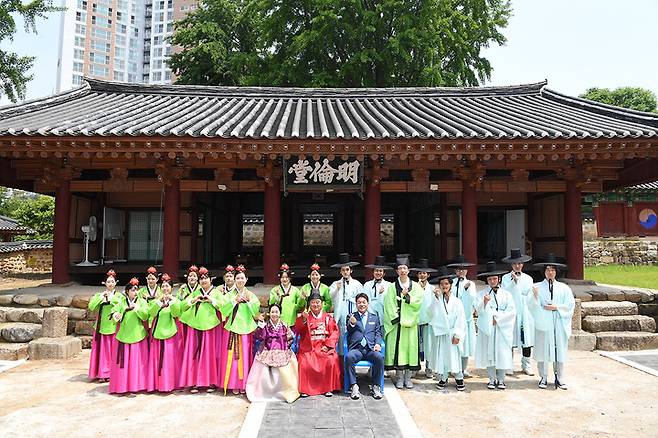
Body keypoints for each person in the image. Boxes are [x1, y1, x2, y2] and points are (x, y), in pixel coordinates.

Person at [528, 254, 575, 390]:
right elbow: (530, 305)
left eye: (553, 270)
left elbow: (570, 305)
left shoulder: (564, 288)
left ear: (556, 272)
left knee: (559, 350)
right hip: (544, 322)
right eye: (548, 269)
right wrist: (535, 297)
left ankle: (560, 377)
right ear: (544, 271)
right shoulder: (536, 287)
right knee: (543, 349)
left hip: (559, 322)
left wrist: (556, 307)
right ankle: (543, 377)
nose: (550, 272)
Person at [179, 266, 222, 393]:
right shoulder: (195, 292)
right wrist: (193, 300)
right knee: (194, 354)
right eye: (201, 279)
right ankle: (194, 382)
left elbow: (224, 306)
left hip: (211, 327)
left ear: (211, 280)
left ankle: (210, 382)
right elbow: (182, 306)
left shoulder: (216, 292)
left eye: (206, 278)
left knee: (209, 354)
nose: (203, 281)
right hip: (195, 326)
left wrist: (212, 300)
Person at [383, 255, 423, 389]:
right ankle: (399, 378)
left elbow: (418, 303)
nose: (402, 271)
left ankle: (408, 377)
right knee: (398, 351)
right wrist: (397, 317)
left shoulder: (416, 287)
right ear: (396, 271)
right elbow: (389, 304)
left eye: (404, 268)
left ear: (409, 270)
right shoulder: (392, 287)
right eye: (400, 268)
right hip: (397, 324)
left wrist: (407, 297)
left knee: (410, 349)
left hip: (410, 324)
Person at [245, 303, 300, 403]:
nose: (274, 314)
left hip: (282, 350)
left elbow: (290, 338)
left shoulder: (284, 325)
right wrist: (260, 324)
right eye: (272, 312)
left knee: (287, 367)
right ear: (269, 314)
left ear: (280, 314)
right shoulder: (265, 325)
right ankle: (262, 392)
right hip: (268, 350)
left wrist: (285, 348)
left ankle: (286, 392)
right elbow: (259, 337)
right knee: (261, 366)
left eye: (276, 312)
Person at [475, 262, 517, 390]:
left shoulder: (507, 294)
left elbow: (511, 311)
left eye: (494, 278)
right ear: (487, 280)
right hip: (488, 328)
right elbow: (477, 310)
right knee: (490, 354)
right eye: (490, 279)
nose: (492, 281)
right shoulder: (482, 294)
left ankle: (502, 379)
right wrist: (484, 302)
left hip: (502, 328)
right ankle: (492, 379)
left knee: (502, 353)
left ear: (498, 279)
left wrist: (497, 319)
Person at [219, 265, 260, 395]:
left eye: (242, 278)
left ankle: (244, 383)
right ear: (234, 280)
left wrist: (248, 302)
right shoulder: (229, 295)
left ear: (246, 279)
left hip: (246, 329)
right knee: (232, 358)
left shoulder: (250, 295)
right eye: (238, 278)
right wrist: (234, 301)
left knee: (245, 356)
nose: (240, 280)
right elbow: (223, 310)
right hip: (232, 329)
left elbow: (255, 311)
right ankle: (233, 383)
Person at [427, 266, 467, 391]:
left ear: (450, 285)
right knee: (442, 356)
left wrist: (457, 334)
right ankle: (443, 378)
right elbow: (431, 313)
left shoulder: (457, 302)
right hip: (442, 333)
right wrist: (436, 299)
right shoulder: (437, 299)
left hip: (452, 332)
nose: (444, 286)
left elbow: (461, 319)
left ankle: (459, 377)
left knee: (454, 356)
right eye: (441, 284)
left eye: (446, 283)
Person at [294, 293, 341, 397]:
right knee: (304, 362)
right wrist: (304, 319)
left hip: (324, 346)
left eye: (318, 302)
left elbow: (335, 332)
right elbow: (298, 330)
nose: (315, 305)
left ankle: (328, 388)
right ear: (309, 304)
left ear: (322, 304)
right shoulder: (305, 316)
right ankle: (305, 389)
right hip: (309, 347)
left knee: (331, 360)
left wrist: (328, 345)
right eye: (313, 302)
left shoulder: (328, 318)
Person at [109, 278, 149, 395]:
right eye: (132, 290)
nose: (135, 292)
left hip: (138, 334)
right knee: (123, 362)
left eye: (136, 290)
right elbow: (114, 313)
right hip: (124, 334)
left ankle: (137, 385)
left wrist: (137, 309)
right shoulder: (121, 302)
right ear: (127, 292)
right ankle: (122, 386)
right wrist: (116, 315)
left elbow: (146, 316)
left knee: (137, 362)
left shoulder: (141, 302)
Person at [501, 248, 535, 376]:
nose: (517, 266)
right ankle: (508, 364)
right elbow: (505, 293)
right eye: (515, 263)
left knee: (526, 338)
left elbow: (528, 294)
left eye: (519, 263)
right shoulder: (505, 278)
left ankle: (526, 364)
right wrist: (514, 283)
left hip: (525, 312)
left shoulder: (528, 278)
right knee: (510, 338)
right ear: (511, 264)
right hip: (511, 311)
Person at [146, 273, 183, 392]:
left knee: (170, 360)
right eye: (163, 287)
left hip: (171, 333)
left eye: (167, 286)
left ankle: (171, 384)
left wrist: (171, 302)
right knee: (157, 360)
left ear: (172, 288)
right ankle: (156, 384)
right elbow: (151, 313)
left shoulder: (176, 300)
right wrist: (159, 302)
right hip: (157, 333)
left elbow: (176, 313)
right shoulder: (156, 301)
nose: (165, 289)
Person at [345, 293, 384, 400]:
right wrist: (352, 324)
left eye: (364, 302)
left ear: (368, 303)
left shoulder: (374, 317)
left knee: (379, 358)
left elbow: (378, 333)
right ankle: (354, 385)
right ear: (356, 304)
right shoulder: (351, 316)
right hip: (357, 349)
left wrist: (378, 343)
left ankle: (376, 385)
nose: (361, 304)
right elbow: (348, 331)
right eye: (359, 302)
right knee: (349, 357)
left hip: (370, 348)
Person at [447, 254, 477, 377]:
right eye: (459, 269)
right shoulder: (451, 283)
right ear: (455, 270)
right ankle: (453, 367)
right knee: (454, 345)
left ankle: (463, 368)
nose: (461, 271)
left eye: (463, 269)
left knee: (465, 345)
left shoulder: (471, 284)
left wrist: (467, 290)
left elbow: (473, 300)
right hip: (454, 320)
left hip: (467, 319)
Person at [329, 253, 364, 356]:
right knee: (340, 336)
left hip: (352, 310)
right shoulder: (335, 284)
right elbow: (330, 296)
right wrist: (337, 289)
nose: (345, 272)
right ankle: (341, 359)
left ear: (351, 270)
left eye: (347, 269)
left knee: (354, 334)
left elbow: (361, 299)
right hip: (341, 312)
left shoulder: (357, 284)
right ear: (340, 271)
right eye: (343, 270)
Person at [88, 269, 119, 382]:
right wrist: (102, 298)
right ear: (104, 283)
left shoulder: (119, 296)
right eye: (108, 281)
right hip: (101, 327)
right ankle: (102, 373)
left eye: (112, 281)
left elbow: (121, 305)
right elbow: (91, 306)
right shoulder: (99, 295)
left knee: (113, 350)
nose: (110, 283)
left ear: (116, 283)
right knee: (102, 351)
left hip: (114, 326)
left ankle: (113, 373)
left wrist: (111, 299)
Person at [412, 258, 437, 378]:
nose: (422, 275)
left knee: (429, 345)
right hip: (416, 320)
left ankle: (429, 368)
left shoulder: (433, 289)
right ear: (417, 274)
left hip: (428, 321)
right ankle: (415, 367)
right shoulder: (413, 287)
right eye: (420, 273)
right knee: (415, 344)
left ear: (428, 275)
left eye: (424, 273)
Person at [363, 255, 393, 322]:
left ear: (384, 273)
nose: (378, 273)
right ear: (373, 272)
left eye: (380, 271)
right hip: (370, 314)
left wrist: (381, 295)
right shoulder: (367, 285)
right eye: (376, 271)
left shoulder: (389, 285)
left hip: (384, 314)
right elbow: (365, 300)